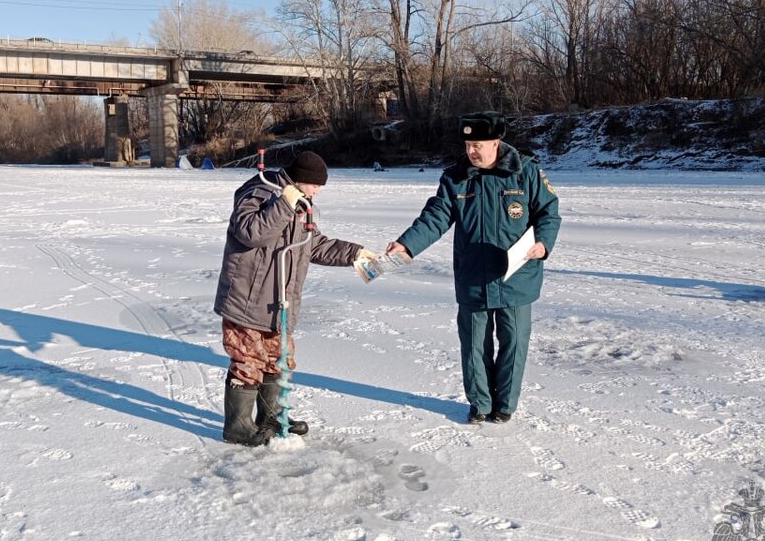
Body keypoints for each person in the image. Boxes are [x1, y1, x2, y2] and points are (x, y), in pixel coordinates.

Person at [386, 112, 561, 425]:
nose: (472, 152)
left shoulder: (526, 172)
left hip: (516, 276)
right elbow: (435, 218)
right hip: (473, 277)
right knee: (474, 345)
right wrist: (407, 244)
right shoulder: (455, 178)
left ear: (496, 143)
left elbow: (548, 213)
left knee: (514, 344)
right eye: (468, 145)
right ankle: (480, 404)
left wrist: (543, 244)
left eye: (478, 145)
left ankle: (504, 405)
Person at [214, 151, 373, 446]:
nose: (319, 191)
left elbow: (312, 244)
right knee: (248, 360)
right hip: (247, 298)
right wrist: (283, 203)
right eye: (316, 185)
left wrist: (354, 253)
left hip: (278, 301)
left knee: (279, 359)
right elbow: (250, 232)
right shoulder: (260, 192)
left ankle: (271, 417)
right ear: (302, 179)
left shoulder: (302, 204)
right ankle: (237, 427)